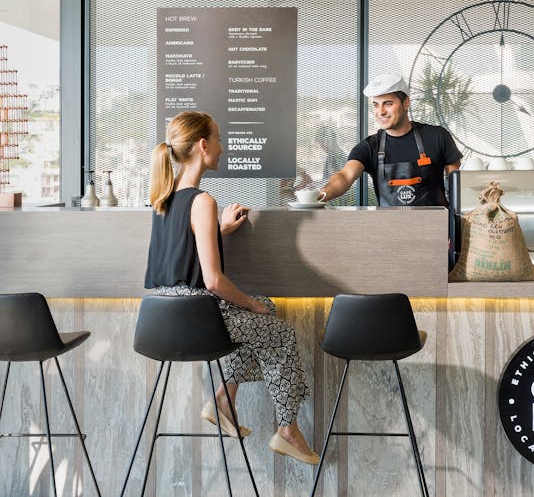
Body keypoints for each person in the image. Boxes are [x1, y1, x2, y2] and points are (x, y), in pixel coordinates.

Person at [144, 111, 319, 465]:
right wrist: (251, 307)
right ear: (203, 145)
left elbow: (183, 250)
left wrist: (219, 230)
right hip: (198, 315)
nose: (223, 148)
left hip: (164, 317)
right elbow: (212, 281)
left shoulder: (163, 197)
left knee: (262, 307)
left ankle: (225, 399)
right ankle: (288, 429)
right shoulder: (202, 200)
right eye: (219, 139)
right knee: (277, 330)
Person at [319, 73, 462, 206]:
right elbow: (345, 176)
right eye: (376, 104)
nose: (380, 111)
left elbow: (457, 186)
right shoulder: (369, 147)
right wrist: (321, 195)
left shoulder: (438, 137)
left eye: (388, 103)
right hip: (389, 229)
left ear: (406, 103)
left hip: (436, 229)